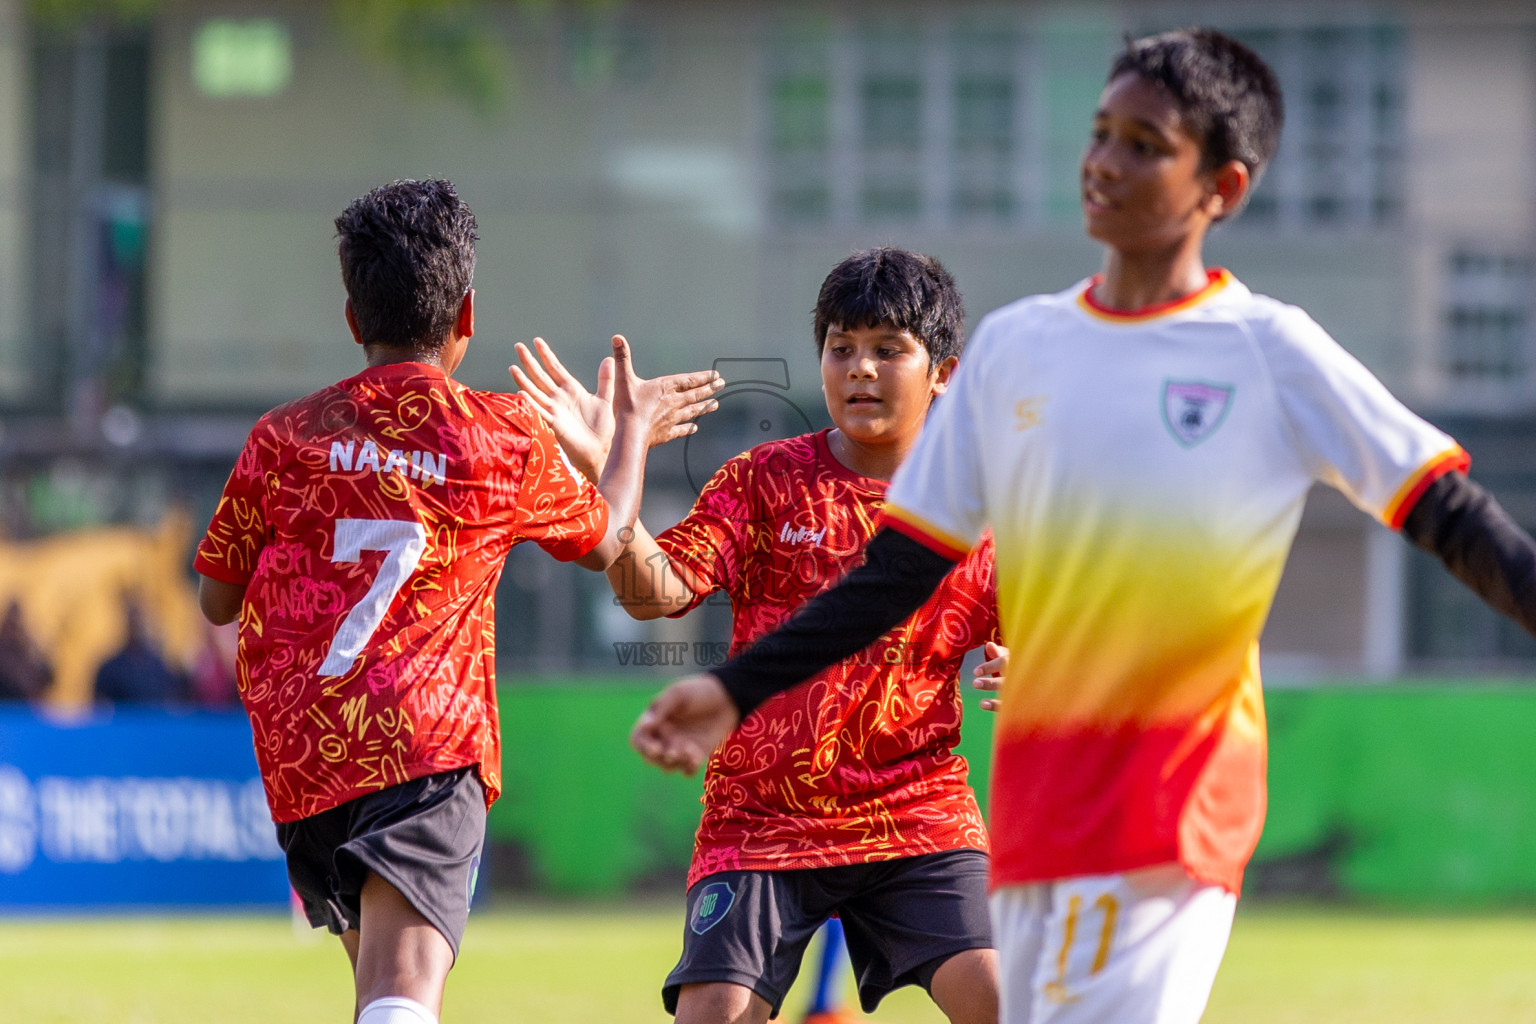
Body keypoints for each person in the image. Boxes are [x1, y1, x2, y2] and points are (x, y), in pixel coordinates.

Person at [629, 29, 1536, 1024]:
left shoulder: (1271, 351)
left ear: (1220, 189)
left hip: (1173, 815)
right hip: (1036, 822)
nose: (1104, 161)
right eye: (1101, 132)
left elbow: (1452, 516)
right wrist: (729, 688)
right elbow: (893, 576)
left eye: (1145, 143)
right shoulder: (1021, 349)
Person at [193, 178, 721, 1024]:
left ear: (352, 318)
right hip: (423, 748)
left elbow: (218, 598)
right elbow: (610, 540)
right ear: (467, 314)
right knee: (402, 1000)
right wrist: (628, 439)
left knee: (382, 995)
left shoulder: (283, 437)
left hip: (305, 758)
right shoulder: (496, 435)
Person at [515, 248, 1003, 1024]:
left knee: (1011, 1002)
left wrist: (1031, 666)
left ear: (942, 371)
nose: (860, 370)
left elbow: (1053, 636)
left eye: (887, 350)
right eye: (841, 348)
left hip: (914, 813)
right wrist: (618, 460)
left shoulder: (981, 506)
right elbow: (652, 593)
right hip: (761, 823)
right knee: (712, 1014)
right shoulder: (762, 480)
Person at [94, 598, 187, 705]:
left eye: (139, 620)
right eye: (133, 621)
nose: (136, 626)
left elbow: (173, 699)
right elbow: (101, 706)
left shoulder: (158, 666)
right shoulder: (110, 668)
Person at [0, 599, 51, 702]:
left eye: (16, 625)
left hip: (25, 709)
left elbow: (48, 678)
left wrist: (31, 641)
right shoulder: (3, 652)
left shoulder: (27, 652)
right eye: (10, 623)